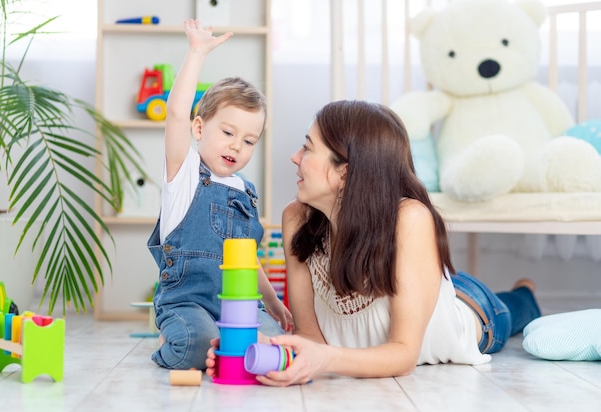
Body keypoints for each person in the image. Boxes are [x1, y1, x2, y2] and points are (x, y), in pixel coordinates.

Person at [205, 99, 541, 385]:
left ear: (345, 172)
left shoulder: (410, 219)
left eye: (307, 147)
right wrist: (262, 346)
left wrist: (325, 360)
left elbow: (403, 354)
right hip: (417, 284)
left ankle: (526, 290)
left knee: (516, 307)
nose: (295, 157)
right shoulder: (296, 218)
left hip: (474, 311)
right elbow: (311, 340)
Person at [147, 19, 292, 371]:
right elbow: (177, 115)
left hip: (238, 304)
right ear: (200, 128)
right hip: (187, 303)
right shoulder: (184, 173)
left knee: (278, 347)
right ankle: (184, 343)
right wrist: (197, 53)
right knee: (195, 345)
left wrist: (271, 302)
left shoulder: (245, 193)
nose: (236, 145)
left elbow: (248, 259)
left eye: (248, 140)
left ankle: (226, 348)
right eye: (228, 131)